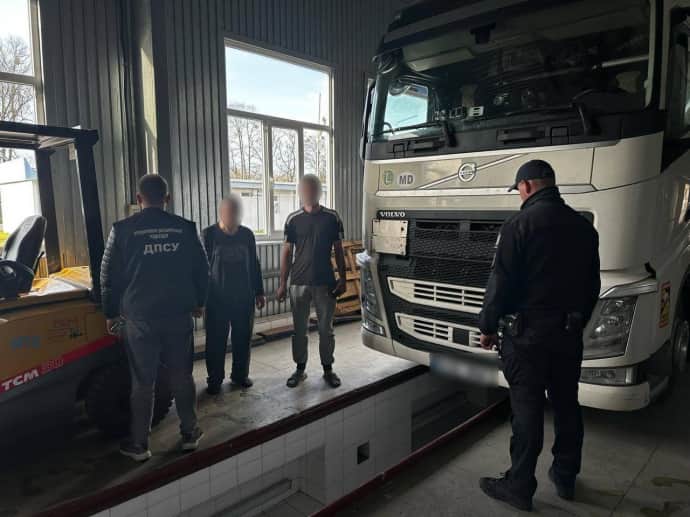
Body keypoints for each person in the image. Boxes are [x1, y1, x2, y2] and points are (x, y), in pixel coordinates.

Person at [478, 160, 600, 511]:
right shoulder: (584, 227)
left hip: (527, 337)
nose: (519, 195)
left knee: (527, 410)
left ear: (528, 186)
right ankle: (565, 476)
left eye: (518, 189)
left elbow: (501, 282)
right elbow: (592, 285)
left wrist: (487, 326)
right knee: (566, 405)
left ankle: (519, 486)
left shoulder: (518, 225)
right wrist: (576, 321)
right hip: (567, 334)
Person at [100, 174, 209, 462]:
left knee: (143, 382)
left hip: (139, 319)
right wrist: (199, 302)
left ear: (138, 199)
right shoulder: (185, 228)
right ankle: (190, 433)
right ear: (167, 198)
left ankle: (139, 444)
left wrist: (110, 313)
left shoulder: (121, 230)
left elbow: (108, 277)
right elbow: (203, 269)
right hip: (177, 316)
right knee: (182, 376)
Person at [276, 174, 347, 389]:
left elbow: (339, 250)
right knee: (299, 330)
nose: (309, 193)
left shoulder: (332, 217)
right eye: (305, 190)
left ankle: (328, 369)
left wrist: (343, 278)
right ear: (300, 193)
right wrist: (282, 283)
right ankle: (300, 369)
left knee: (326, 329)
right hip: (298, 282)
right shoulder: (292, 219)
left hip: (325, 282)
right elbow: (286, 253)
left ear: (319, 192)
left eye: (313, 189)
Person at [202, 195, 266, 394]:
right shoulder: (208, 234)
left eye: (236, 212)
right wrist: (200, 300)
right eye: (229, 212)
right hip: (216, 300)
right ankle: (214, 380)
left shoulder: (247, 235)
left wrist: (259, 292)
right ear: (221, 212)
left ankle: (240, 375)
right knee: (215, 342)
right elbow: (201, 268)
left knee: (242, 339)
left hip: (243, 298)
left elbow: (254, 264)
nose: (232, 215)